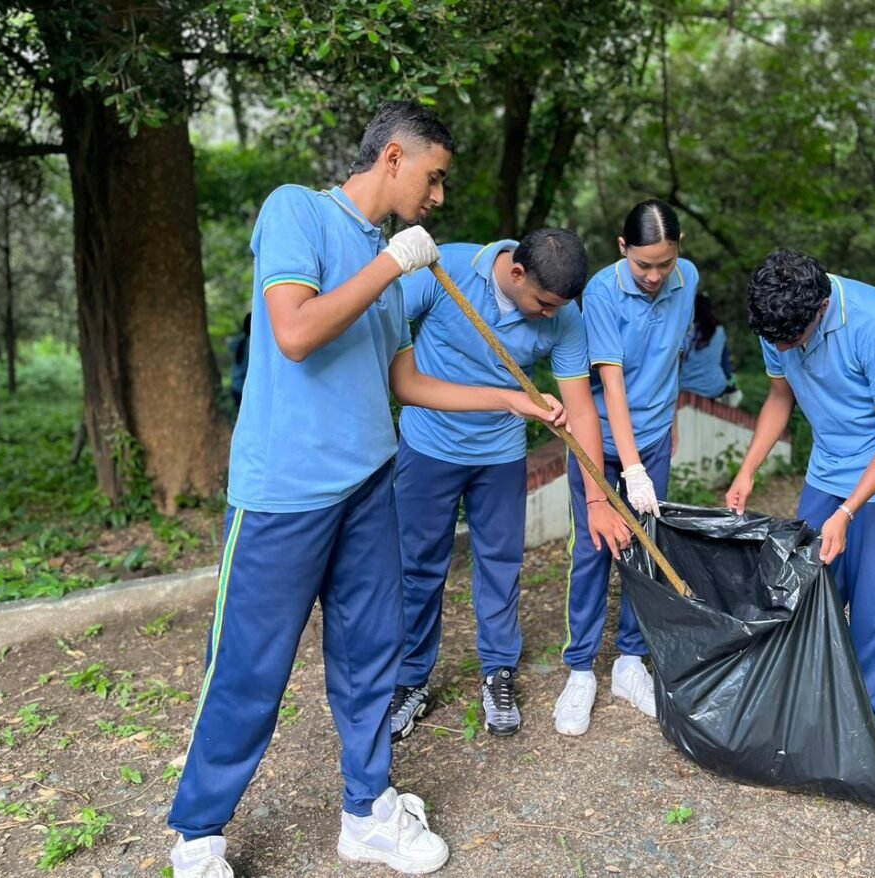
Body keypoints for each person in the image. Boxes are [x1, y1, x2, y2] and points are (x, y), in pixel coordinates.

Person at [165, 101, 565, 878]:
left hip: (369, 485)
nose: (438, 197)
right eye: (434, 178)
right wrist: (392, 265)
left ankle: (368, 811)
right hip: (285, 494)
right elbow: (295, 332)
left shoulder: (391, 260)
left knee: (370, 657)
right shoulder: (298, 212)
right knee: (249, 667)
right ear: (393, 158)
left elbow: (405, 382)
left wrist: (510, 401)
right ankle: (200, 836)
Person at [390, 230, 632, 742]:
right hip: (428, 444)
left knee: (501, 567)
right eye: (543, 304)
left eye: (558, 307)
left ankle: (498, 672)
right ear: (517, 273)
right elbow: (378, 331)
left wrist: (596, 498)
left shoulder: (563, 315)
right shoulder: (444, 271)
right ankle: (409, 679)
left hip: (500, 455)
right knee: (418, 567)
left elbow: (582, 410)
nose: (550, 315)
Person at [725, 248, 875, 727]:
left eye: (791, 341)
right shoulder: (778, 318)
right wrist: (748, 469)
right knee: (806, 582)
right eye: (774, 341)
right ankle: (806, 697)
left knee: (874, 600)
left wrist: (847, 512)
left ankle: (862, 722)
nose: (782, 350)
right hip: (831, 459)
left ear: (820, 309)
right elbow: (780, 396)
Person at [553, 199, 699, 736]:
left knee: (645, 546)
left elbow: (673, 356)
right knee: (593, 550)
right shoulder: (600, 292)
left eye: (665, 263)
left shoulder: (688, 279)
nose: (655, 276)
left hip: (653, 439)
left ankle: (630, 661)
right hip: (603, 442)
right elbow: (611, 385)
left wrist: (671, 418)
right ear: (622, 249)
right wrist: (631, 469)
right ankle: (580, 669)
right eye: (643, 265)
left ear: (680, 250)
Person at [679, 294, 737, 401]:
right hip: (714, 388)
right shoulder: (719, 331)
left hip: (685, 387)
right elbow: (726, 365)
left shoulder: (684, 332)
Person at [228, 312, 251, 407]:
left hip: (236, 387)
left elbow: (229, 343)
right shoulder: (253, 344)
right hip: (246, 389)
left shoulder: (238, 341)